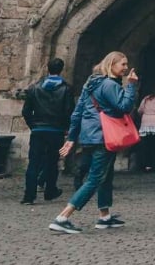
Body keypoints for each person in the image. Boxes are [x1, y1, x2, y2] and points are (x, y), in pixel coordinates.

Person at [49, 51, 139, 234]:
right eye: (122, 64)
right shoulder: (109, 85)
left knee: (105, 174)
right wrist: (131, 86)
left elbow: (78, 112)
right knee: (95, 178)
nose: (125, 68)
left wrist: (72, 138)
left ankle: (104, 216)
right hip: (104, 135)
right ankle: (63, 217)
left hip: (90, 135)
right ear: (111, 65)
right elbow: (124, 107)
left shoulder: (91, 84)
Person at [20, 57, 74, 204]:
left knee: (33, 163)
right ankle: (50, 190)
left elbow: (26, 111)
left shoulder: (35, 87)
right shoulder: (66, 88)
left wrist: (34, 126)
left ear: (47, 68)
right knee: (52, 161)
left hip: (38, 130)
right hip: (55, 130)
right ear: (61, 69)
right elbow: (69, 110)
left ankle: (28, 195)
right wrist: (66, 128)